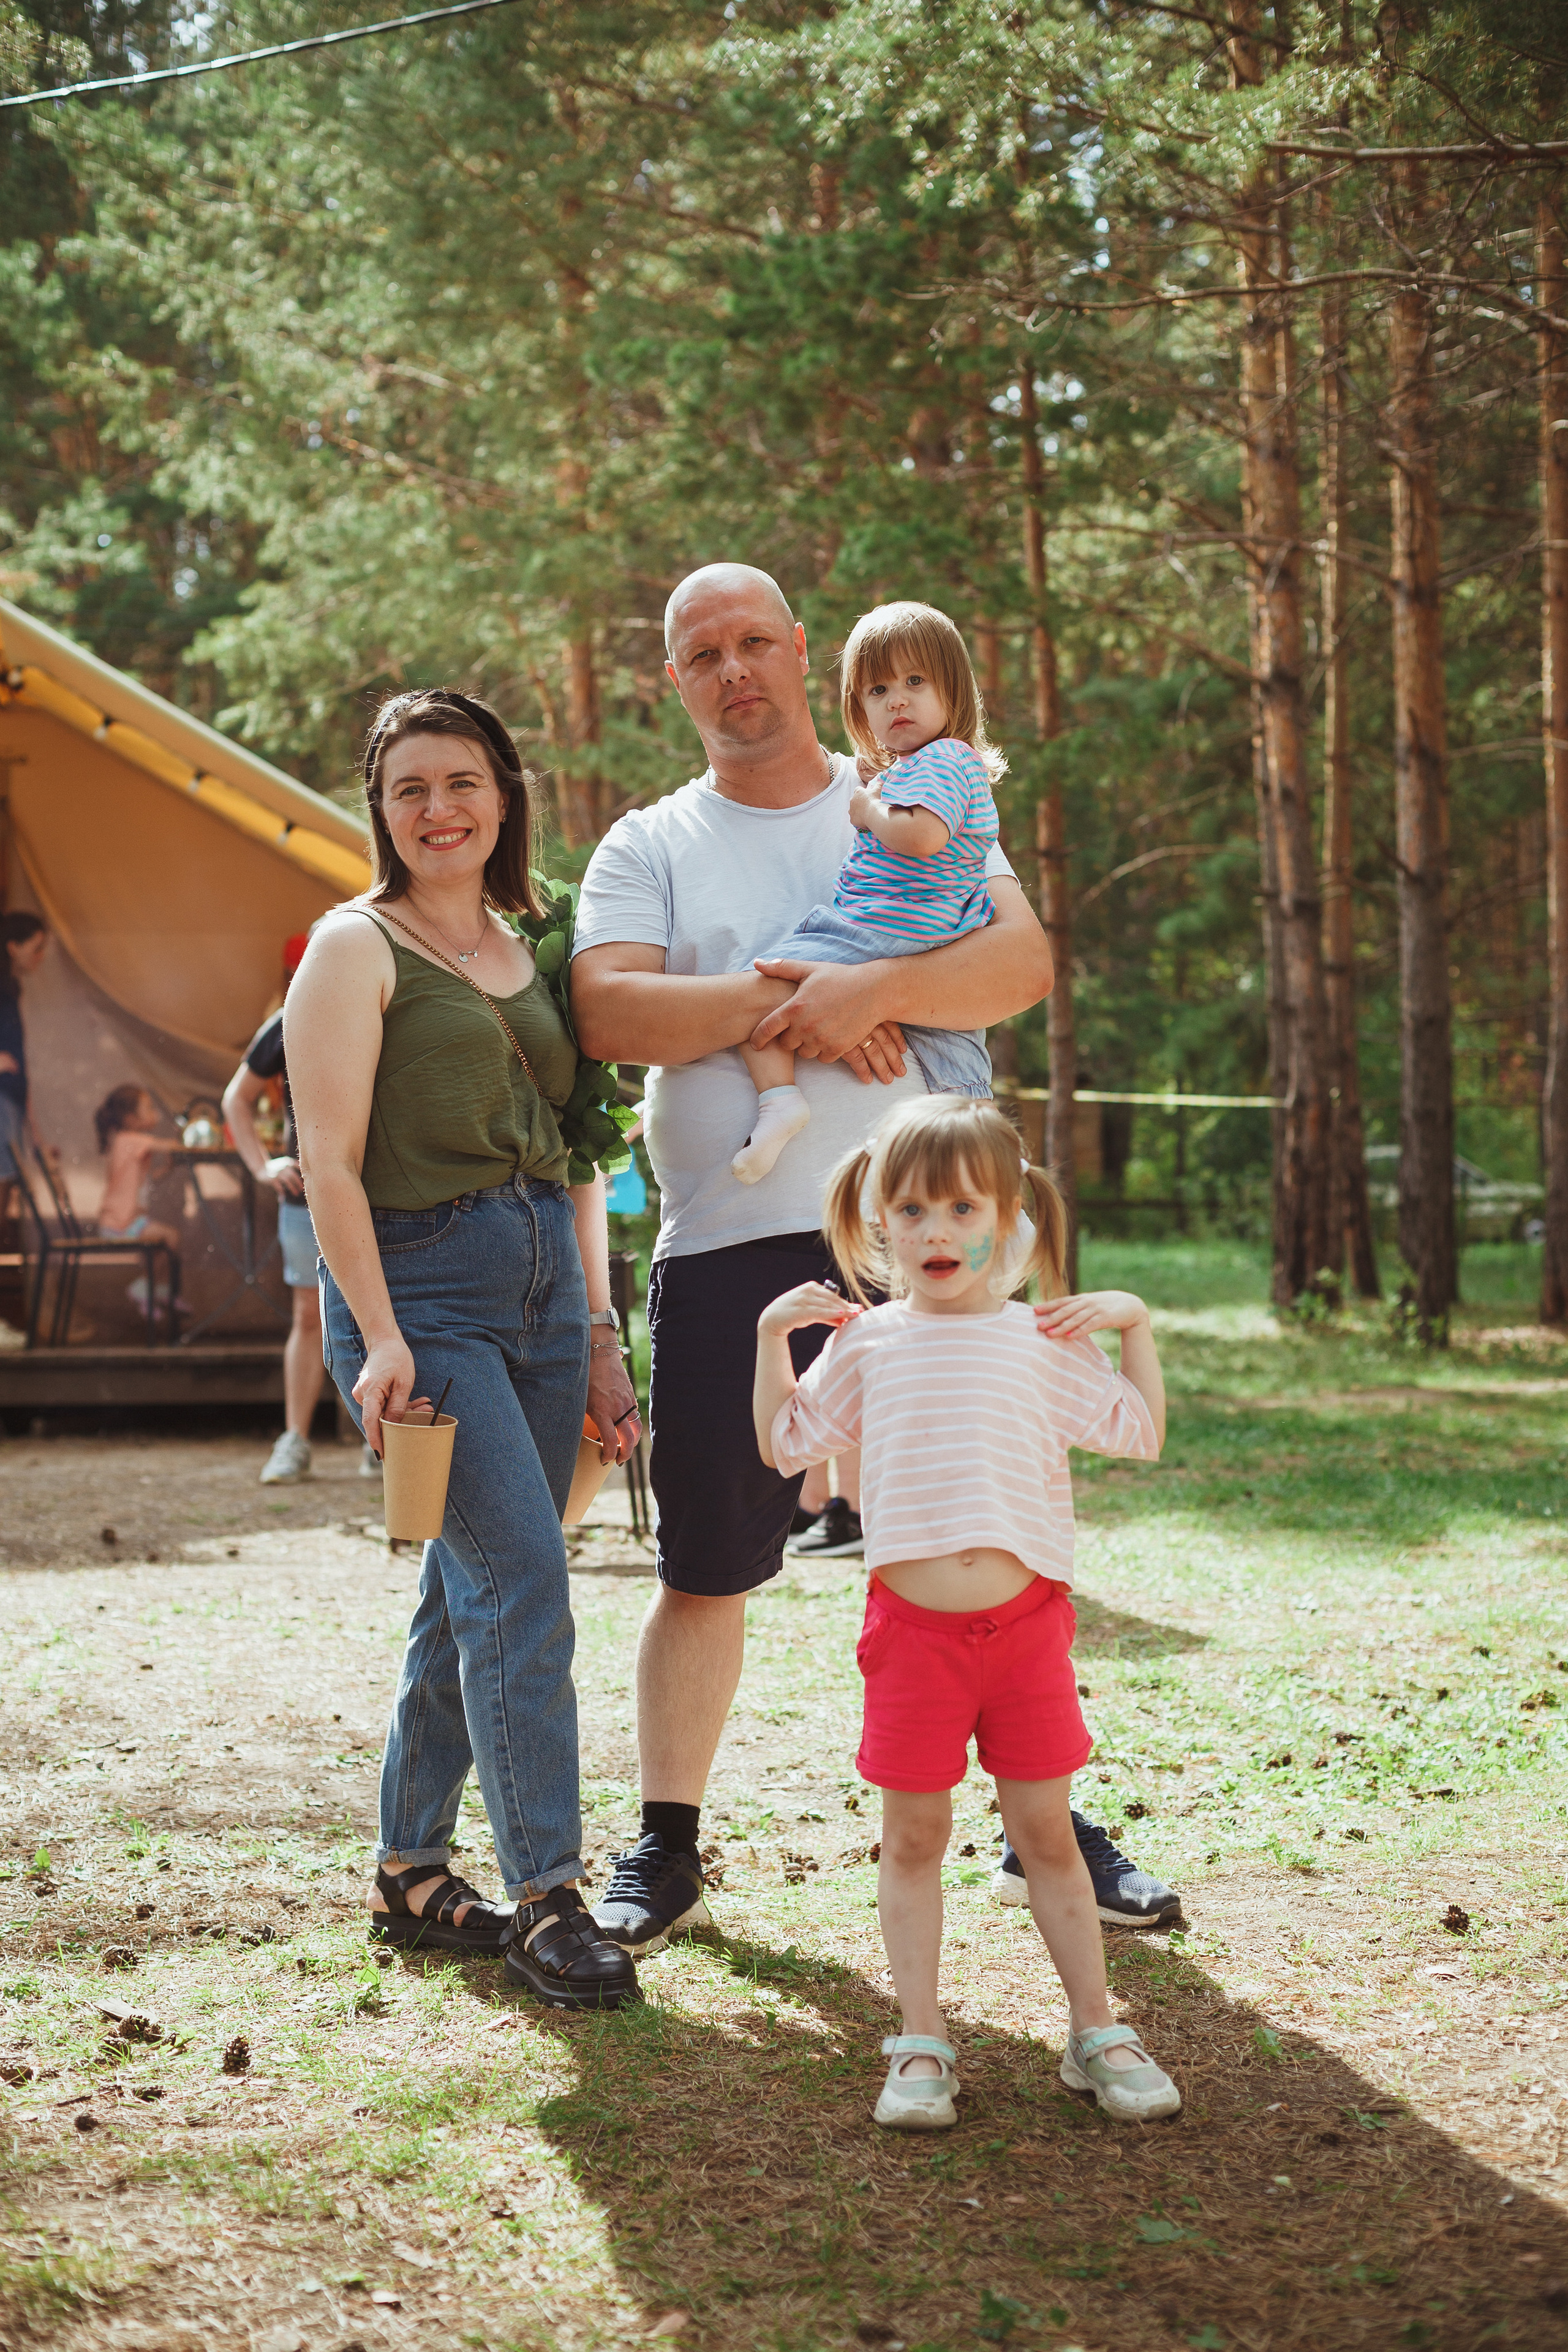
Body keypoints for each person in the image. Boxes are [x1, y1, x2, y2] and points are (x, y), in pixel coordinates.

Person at [570, 561, 1173, 1961]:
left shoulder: (913, 790)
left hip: (933, 1249)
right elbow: (609, 1005)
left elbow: (1015, 960)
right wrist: (791, 998)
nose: (732, 671)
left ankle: (1051, 1830)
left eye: (751, 642)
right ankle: (664, 1843)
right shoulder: (651, 840)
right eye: (699, 653)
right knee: (708, 1562)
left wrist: (878, 988)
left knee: (992, 1538)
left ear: (800, 653)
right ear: (676, 680)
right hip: (733, 1243)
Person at [286, 687, 643, 2010]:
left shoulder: (533, 942)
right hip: (419, 1298)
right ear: (380, 812)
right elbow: (325, 1161)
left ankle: (410, 1865)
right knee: (523, 1579)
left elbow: (579, 1155)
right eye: (408, 791)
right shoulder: (352, 945)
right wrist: (376, 1336)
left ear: (504, 794)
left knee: (474, 1584)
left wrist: (601, 1332)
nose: (438, 810)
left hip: (548, 1295)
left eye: (461, 784)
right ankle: (551, 1895)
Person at [756, 1095, 1182, 2130]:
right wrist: (774, 1337)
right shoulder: (867, 1342)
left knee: (1046, 1833)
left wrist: (1135, 1326)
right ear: (878, 1223)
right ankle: (918, 2041)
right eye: (909, 1211)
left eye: (959, 1207)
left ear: (1009, 1216)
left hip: (1026, 1633)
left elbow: (1137, 1432)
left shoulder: (1040, 1339)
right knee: (913, 1837)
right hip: (913, 1641)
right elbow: (787, 1446)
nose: (935, 1230)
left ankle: (1096, 2029)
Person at [731, 601, 1000, 1185]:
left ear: (953, 690)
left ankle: (779, 1101)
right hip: (934, 934)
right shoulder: (933, 765)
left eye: (914, 682)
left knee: (768, 985)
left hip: (889, 925)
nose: (896, 700)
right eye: (878, 690)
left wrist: (870, 809)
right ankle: (996, 1182)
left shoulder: (942, 759)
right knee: (956, 1064)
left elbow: (923, 836)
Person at [225, 935, 345, 1487]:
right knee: (308, 1313)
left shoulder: (390, 1005)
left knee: (398, 1310)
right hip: (307, 1192)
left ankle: (384, 1441)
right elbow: (236, 1099)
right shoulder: (288, 1018)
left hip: (386, 1192)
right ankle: (294, 1439)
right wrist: (262, 1166)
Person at [94, 1085, 184, 1317]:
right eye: (149, 1108)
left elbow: (142, 1181)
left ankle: (158, 1292)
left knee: (166, 1242)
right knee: (170, 1238)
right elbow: (168, 1145)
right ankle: (145, 1289)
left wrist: (165, 1169)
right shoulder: (128, 1140)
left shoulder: (126, 1142)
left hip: (126, 1221)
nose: (155, 1113)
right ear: (131, 1118)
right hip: (120, 1224)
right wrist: (183, 1140)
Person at [0, 912, 48, 1190]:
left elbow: (18, 1055)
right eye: (37, 948)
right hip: (1, 1096)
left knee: (10, 1183)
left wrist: (31, 1119)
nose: (40, 956)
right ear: (13, 947)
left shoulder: (11, 988)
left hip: (12, 1098)